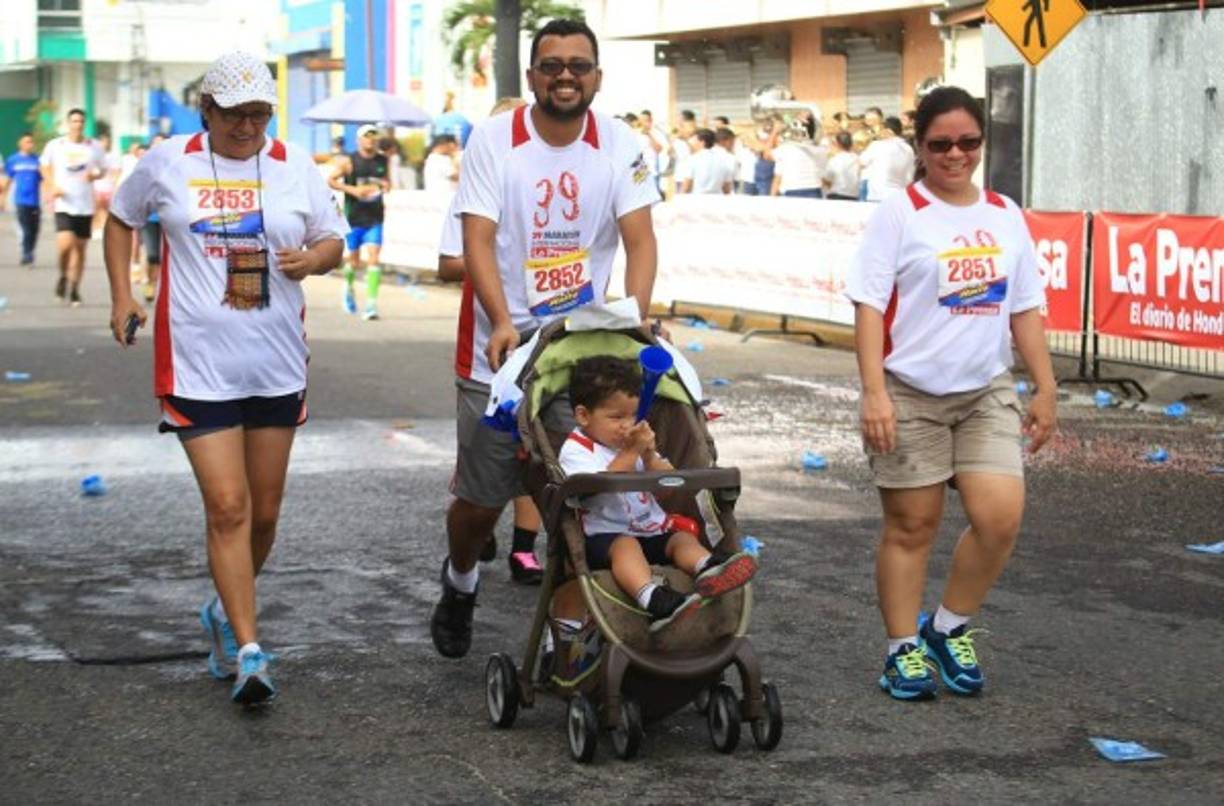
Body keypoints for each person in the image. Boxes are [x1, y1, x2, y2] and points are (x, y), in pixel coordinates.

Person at [103, 50, 347, 705]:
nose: (246, 127)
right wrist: (123, 295)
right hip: (197, 365)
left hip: (275, 363)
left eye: (259, 114)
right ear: (205, 109)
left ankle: (222, 606)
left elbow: (333, 239)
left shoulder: (294, 164)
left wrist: (313, 261)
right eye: (234, 114)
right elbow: (121, 219)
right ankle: (248, 649)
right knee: (229, 507)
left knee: (264, 514)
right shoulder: (167, 161)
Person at [430, 18, 661, 659]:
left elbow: (640, 240)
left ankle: (568, 642)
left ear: (597, 77)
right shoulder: (494, 138)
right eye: (552, 65)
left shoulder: (620, 143)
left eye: (578, 66)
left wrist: (635, 317)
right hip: (499, 353)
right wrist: (502, 319)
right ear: (533, 76)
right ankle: (461, 578)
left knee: (575, 500)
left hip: (578, 350)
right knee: (480, 503)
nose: (565, 76)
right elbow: (477, 238)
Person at [843, 85, 1056, 701]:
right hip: (909, 392)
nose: (956, 154)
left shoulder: (1004, 213)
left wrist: (1046, 386)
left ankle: (947, 627)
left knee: (1000, 519)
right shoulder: (900, 213)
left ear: (982, 142)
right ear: (920, 146)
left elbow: (1025, 306)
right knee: (913, 525)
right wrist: (874, 392)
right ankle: (901, 650)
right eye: (941, 144)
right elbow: (868, 305)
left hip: (985, 390)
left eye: (968, 142)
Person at [557, 356, 757, 631]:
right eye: (616, 417)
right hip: (604, 538)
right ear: (583, 416)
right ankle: (653, 599)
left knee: (681, 539)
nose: (627, 425)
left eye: (633, 415)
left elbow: (667, 486)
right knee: (626, 546)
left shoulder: (634, 445)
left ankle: (709, 569)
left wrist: (649, 455)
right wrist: (631, 452)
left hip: (650, 532)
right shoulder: (577, 449)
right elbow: (596, 486)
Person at [435, 96, 545, 585]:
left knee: (542, 451)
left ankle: (525, 549)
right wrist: (497, 258)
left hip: (553, 343)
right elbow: (447, 265)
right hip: (488, 347)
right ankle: (470, 547)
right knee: (491, 468)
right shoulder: (472, 195)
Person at [41, 108, 106, 306]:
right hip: (64, 204)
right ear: (68, 123)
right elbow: (44, 166)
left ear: (84, 124)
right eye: (74, 121)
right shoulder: (56, 145)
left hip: (84, 205)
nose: (77, 124)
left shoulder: (93, 146)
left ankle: (75, 288)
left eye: (80, 121)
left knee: (80, 249)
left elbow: (103, 170)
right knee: (65, 246)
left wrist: (94, 175)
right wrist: (52, 185)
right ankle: (63, 275)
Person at [329, 123, 390, 320]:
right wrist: (353, 190)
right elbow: (331, 180)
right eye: (367, 137)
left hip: (375, 217)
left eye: (374, 137)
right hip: (354, 217)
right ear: (359, 140)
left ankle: (371, 305)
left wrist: (384, 186)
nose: (370, 141)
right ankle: (348, 287)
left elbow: (386, 182)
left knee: (374, 258)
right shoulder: (349, 161)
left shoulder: (383, 160)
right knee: (353, 261)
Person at [2, 133, 44, 265]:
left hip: (35, 200)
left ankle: (30, 250)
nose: (29, 144)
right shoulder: (13, 160)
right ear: (20, 143)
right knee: (26, 228)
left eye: (31, 142)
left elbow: (44, 179)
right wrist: (2, 198)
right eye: (27, 142)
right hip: (20, 200)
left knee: (34, 229)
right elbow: (7, 180)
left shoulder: (37, 161)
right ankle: (27, 253)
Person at [860, 116, 915, 202]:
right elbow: (910, 175)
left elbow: (862, 163)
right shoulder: (908, 149)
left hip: (878, 195)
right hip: (900, 195)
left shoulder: (877, 145)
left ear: (887, 130)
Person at [677, 128, 733, 195]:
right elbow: (727, 189)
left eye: (694, 140)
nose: (692, 143)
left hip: (698, 198)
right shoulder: (723, 160)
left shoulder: (693, 160)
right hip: (717, 199)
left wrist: (680, 197)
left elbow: (686, 186)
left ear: (702, 142)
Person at [770, 133, 827, 198]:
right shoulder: (818, 149)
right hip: (814, 188)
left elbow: (778, 176)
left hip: (792, 189)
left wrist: (772, 197)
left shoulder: (783, 149)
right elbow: (821, 172)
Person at [92, 132, 119, 237]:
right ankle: (96, 229)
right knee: (96, 208)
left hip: (108, 187)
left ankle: (104, 228)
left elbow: (117, 172)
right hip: (96, 186)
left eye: (107, 142)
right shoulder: (94, 155)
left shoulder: (113, 156)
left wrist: (115, 184)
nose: (105, 144)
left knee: (106, 209)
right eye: (102, 142)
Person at [822, 131, 861, 201]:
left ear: (837, 144)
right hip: (853, 196)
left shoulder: (834, 160)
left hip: (836, 195)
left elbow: (827, 179)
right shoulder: (858, 159)